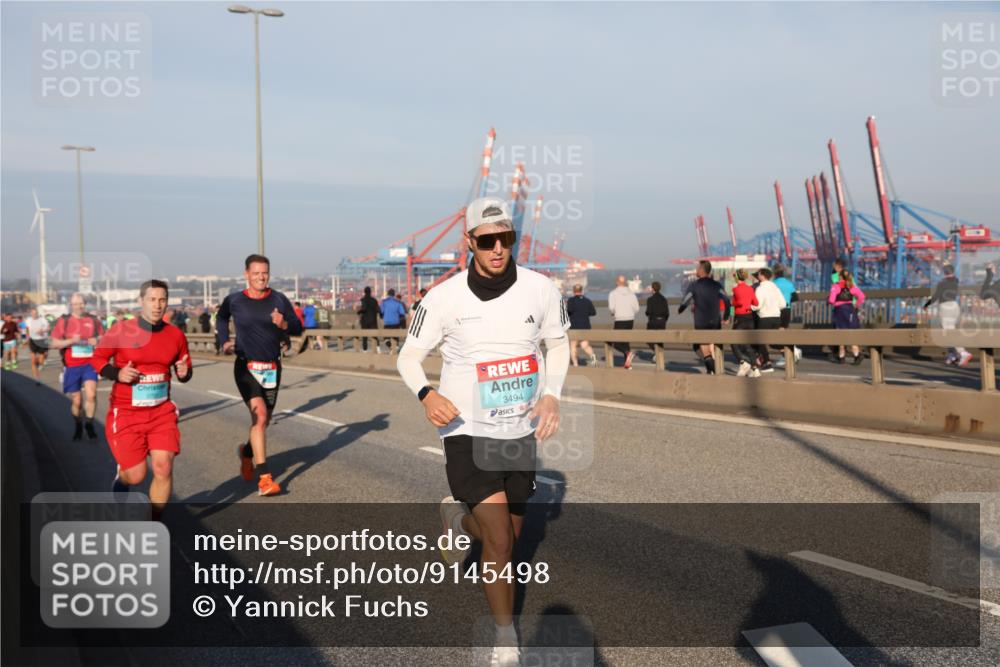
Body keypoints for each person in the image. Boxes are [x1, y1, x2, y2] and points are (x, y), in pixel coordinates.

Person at [396, 197, 569, 667]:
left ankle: (458, 521)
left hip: (517, 431)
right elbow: (407, 357)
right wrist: (427, 395)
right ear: (468, 241)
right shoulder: (443, 298)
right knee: (500, 542)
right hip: (465, 431)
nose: (498, 249)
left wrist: (551, 393)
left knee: (509, 535)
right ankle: (504, 636)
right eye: (487, 240)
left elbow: (558, 343)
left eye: (505, 239)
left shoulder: (541, 289)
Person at [90, 280, 192, 519]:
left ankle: (154, 522)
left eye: (162, 300)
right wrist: (118, 373)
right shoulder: (121, 330)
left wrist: (185, 373)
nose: (158, 305)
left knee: (163, 467)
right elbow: (97, 360)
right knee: (136, 475)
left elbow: (184, 369)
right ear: (141, 301)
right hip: (126, 413)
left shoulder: (175, 334)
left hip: (161, 412)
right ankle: (123, 476)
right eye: (152, 299)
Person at [217, 254, 303, 497]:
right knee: (261, 415)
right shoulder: (234, 300)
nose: (261, 277)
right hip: (245, 366)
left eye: (264, 272)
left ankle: (246, 454)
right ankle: (265, 478)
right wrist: (224, 341)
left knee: (262, 422)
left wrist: (284, 324)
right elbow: (221, 318)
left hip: (272, 368)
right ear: (246, 274)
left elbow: (298, 327)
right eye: (256, 273)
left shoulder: (278, 299)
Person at [50, 294, 105, 440]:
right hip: (72, 366)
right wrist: (70, 341)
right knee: (77, 401)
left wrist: (97, 340)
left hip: (89, 364)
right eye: (75, 304)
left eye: (81, 303)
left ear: (85, 304)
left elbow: (104, 337)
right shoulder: (64, 321)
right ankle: (78, 424)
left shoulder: (93, 320)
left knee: (92, 395)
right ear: (70, 304)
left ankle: (90, 424)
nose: (78, 306)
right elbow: (54, 343)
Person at [678, 261, 731, 375]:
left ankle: (714, 368)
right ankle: (711, 369)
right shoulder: (717, 285)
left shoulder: (694, 285)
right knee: (715, 345)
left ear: (702, 270)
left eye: (697, 268)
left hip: (701, 322)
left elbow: (686, 300)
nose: (696, 270)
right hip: (715, 322)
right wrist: (726, 316)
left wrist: (681, 309)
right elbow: (727, 300)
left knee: (700, 347)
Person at [923, 264, 971, 367]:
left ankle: (963, 353)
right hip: (955, 306)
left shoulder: (942, 283)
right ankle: (952, 354)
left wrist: (927, 304)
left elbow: (936, 296)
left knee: (948, 332)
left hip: (945, 307)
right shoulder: (955, 281)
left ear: (944, 272)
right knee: (950, 330)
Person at [750, 267, 786, 373]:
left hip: (765, 318)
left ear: (762, 275)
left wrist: (750, 307)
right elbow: (783, 304)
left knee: (760, 341)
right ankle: (790, 348)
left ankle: (767, 363)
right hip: (776, 317)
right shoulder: (775, 288)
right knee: (772, 341)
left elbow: (757, 306)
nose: (758, 275)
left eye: (759, 274)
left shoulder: (760, 289)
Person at [828, 269, 865, 364]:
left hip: (839, 311)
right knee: (851, 332)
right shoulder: (850, 286)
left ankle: (841, 357)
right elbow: (862, 296)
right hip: (850, 310)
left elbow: (831, 300)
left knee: (840, 332)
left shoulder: (835, 286)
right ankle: (857, 355)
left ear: (840, 277)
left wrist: (830, 300)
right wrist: (856, 304)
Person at [730, 269, 759, 377]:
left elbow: (736, 303)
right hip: (750, 317)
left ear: (737, 277)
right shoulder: (750, 289)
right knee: (747, 344)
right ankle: (755, 369)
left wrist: (733, 305)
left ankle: (743, 362)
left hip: (740, 318)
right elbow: (756, 302)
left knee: (734, 342)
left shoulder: (736, 289)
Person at [771, 265, 802, 364]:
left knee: (775, 335)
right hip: (787, 310)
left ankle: (790, 351)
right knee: (783, 331)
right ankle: (788, 353)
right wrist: (787, 301)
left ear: (774, 274)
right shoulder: (789, 283)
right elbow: (796, 297)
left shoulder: (773, 284)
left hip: (777, 310)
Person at [608, 275, 640, 369]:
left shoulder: (613, 293)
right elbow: (637, 308)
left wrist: (614, 312)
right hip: (630, 319)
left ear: (617, 282)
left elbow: (611, 308)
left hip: (619, 319)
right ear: (625, 282)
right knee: (626, 342)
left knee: (615, 342)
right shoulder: (631, 293)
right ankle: (628, 364)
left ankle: (627, 353)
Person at [566, 284, 597, 367]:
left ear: (573, 291)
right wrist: (584, 313)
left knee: (573, 346)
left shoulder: (571, 300)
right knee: (585, 345)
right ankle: (593, 359)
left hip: (574, 326)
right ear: (581, 290)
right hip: (585, 326)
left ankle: (576, 364)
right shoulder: (587, 301)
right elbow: (593, 313)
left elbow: (569, 311)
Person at [26, 308, 51, 384]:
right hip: (33, 340)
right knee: (33, 361)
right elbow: (27, 330)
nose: (34, 315)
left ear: (37, 313)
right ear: (31, 314)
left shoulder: (43, 320)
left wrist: (43, 331)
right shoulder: (28, 320)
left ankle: (40, 363)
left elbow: (49, 328)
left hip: (42, 340)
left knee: (41, 360)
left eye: (35, 313)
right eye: (33, 313)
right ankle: (36, 379)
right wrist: (26, 339)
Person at [645, 282, 670, 354]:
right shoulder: (664, 299)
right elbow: (667, 313)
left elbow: (648, 312)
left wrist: (646, 313)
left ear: (653, 289)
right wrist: (664, 320)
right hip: (662, 321)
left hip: (653, 322)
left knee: (648, 339)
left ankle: (657, 353)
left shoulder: (650, 299)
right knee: (660, 340)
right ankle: (659, 355)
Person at [357, 286, 380, 352]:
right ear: (370, 292)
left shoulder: (363, 300)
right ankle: (378, 349)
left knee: (365, 336)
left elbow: (364, 309)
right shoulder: (374, 300)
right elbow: (378, 310)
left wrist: (359, 312)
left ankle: (365, 350)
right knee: (375, 335)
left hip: (365, 321)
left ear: (364, 292)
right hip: (373, 320)